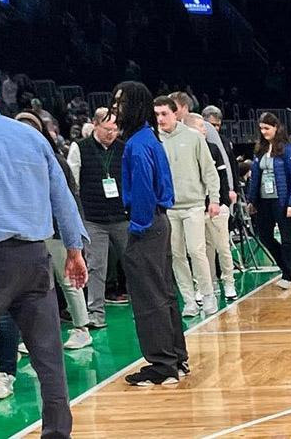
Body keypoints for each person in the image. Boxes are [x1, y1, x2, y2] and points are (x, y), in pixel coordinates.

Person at [0, 67, 88, 437]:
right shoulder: (30, 137)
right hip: (35, 257)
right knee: (49, 361)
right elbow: (61, 194)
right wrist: (75, 249)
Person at [113, 83, 189, 386]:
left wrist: (138, 227)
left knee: (149, 297)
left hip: (147, 225)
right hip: (160, 222)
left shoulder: (137, 144)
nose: (116, 109)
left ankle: (162, 365)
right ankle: (176, 358)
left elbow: (143, 188)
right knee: (165, 292)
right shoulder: (148, 138)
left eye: (121, 103)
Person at [14, 112, 94, 350]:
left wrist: (72, 236)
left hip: (56, 231)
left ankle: (82, 328)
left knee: (68, 279)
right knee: (34, 285)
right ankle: (33, 335)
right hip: (30, 232)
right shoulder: (15, 163)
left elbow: (67, 200)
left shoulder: (55, 161)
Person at [154, 96, 222, 317]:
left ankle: (208, 294)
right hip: (169, 208)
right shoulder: (154, 140)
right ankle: (189, 300)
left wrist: (214, 199)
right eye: (156, 114)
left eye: (164, 113)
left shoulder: (193, 137)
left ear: (175, 113)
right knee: (176, 255)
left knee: (196, 251)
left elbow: (209, 171)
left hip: (193, 204)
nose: (160, 118)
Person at [67, 107, 129, 326]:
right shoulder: (79, 148)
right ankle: (96, 313)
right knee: (96, 266)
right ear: (95, 124)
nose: (111, 133)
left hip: (122, 216)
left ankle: (142, 306)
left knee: (133, 262)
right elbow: (73, 183)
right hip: (93, 218)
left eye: (115, 129)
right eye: (107, 129)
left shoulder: (123, 148)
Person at [245, 112, 291, 290]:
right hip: (264, 201)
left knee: (286, 238)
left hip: (282, 200)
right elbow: (255, 177)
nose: (264, 132)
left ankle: (288, 275)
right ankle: (284, 266)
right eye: (261, 128)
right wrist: (251, 200)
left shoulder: (288, 149)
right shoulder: (260, 150)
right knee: (264, 235)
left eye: (267, 128)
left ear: (276, 127)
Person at [186, 113, 236, 301]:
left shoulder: (214, 149)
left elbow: (222, 177)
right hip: (197, 207)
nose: (205, 129)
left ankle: (229, 282)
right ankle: (206, 284)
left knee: (223, 247)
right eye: (201, 126)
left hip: (216, 208)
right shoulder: (186, 150)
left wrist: (222, 202)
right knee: (200, 251)